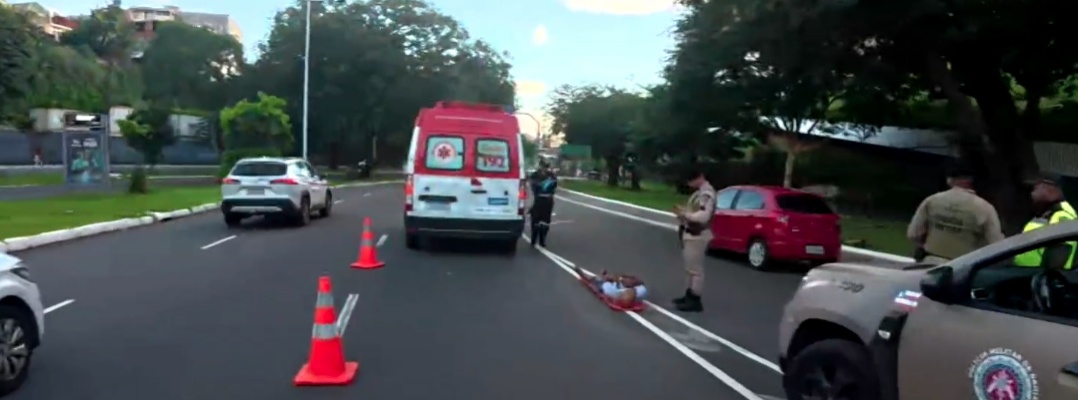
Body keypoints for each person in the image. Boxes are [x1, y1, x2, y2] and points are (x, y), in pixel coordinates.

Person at [906, 164, 1004, 264]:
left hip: (930, 261)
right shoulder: (985, 208)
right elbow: (995, 244)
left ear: (950, 180)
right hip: (963, 266)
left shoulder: (932, 200)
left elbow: (913, 234)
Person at [672, 169, 715, 312]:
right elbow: (694, 211)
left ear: (700, 177)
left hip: (698, 234)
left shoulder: (706, 194)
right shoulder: (698, 193)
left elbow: (704, 216)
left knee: (696, 270)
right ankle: (688, 295)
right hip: (690, 233)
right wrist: (682, 214)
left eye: (691, 180)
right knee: (690, 269)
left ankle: (695, 299)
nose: (690, 184)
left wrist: (686, 214)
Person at [1014, 172, 1077, 269]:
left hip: (1041, 279)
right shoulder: (1048, 213)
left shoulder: (1062, 215)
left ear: (1051, 190)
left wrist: (1045, 278)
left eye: (1036, 189)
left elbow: (1058, 257)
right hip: (1027, 276)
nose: (1032, 194)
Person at [570, 265, 647, 307]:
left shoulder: (613, 292)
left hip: (609, 286)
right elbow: (636, 282)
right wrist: (621, 279)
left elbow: (608, 285)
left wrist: (618, 280)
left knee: (595, 280)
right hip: (619, 286)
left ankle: (585, 274)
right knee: (614, 279)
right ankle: (604, 276)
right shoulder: (640, 290)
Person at [529, 161, 558, 247]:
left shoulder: (551, 175)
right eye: (542, 167)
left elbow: (554, 185)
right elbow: (534, 186)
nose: (544, 168)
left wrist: (544, 185)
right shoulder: (535, 175)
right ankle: (533, 239)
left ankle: (542, 239)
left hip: (548, 200)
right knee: (535, 220)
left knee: (546, 221)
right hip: (538, 199)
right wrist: (544, 185)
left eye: (546, 167)